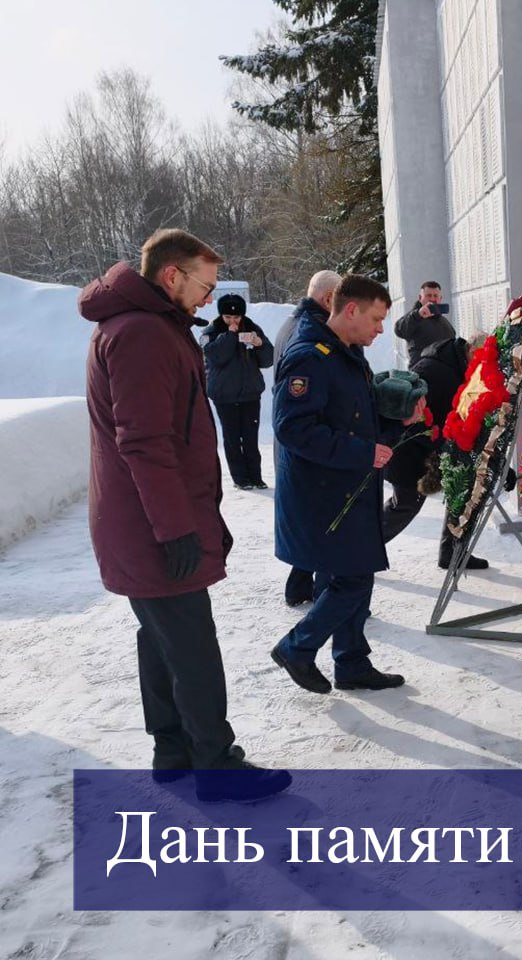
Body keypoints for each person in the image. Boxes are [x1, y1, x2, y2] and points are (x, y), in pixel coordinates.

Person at [80, 227, 290, 803]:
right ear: (172, 275)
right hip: (151, 523)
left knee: (162, 638)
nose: (210, 297)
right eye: (205, 285)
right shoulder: (142, 333)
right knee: (191, 643)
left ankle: (172, 752)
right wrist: (176, 529)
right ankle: (216, 766)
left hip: (145, 517)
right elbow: (145, 442)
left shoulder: (148, 326)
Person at [272, 274, 422, 693]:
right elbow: (293, 428)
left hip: (349, 488)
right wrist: (362, 453)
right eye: (376, 319)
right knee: (351, 581)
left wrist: (400, 420)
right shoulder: (309, 356)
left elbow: (356, 420)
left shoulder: (346, 351)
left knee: (355, 576)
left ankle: (351, 662)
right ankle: (297, 648)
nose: (380, 329)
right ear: (351, 310)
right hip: (325, 494)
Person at [382, 335, 489, 570]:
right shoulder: (434, 369)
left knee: (460, 489)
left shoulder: (459, 367)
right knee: (406, 504)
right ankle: (359, 552)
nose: (482, 366)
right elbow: (412, 414)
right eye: (480, 358)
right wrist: (440, 441)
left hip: (436, 447)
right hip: (411, 448)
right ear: (471, 350)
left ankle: (452, 552)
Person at [273, 270, 341, 606]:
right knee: (322, 525)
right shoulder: (310, 335)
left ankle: (299, 587)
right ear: (328, 298)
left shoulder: (292, 325)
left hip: (298, 449)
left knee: (308, 522)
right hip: (310, 448)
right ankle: (327, 598)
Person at [199, 293, 274, 490]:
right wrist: (230, 336)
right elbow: (216, 356)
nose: (233, 321)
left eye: (237, 317)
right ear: (221, 315)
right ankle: (240, 478)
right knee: (232, 438)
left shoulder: (252, 328)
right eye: (228, 317)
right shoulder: (211, 331)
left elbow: (268, 359)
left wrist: (260, 344)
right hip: (224, 394)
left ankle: (255, 476)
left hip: (250, 393)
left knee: (250, 437)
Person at [394, 280, 455, 368]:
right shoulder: (414, 318)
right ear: (420, 297)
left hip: (443, 371)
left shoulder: (444, 321)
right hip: (422, 372)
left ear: (440, 298)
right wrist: (418, 315)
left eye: (435, 296)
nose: (432, 299)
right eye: (428, 295)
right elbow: (399, 330)